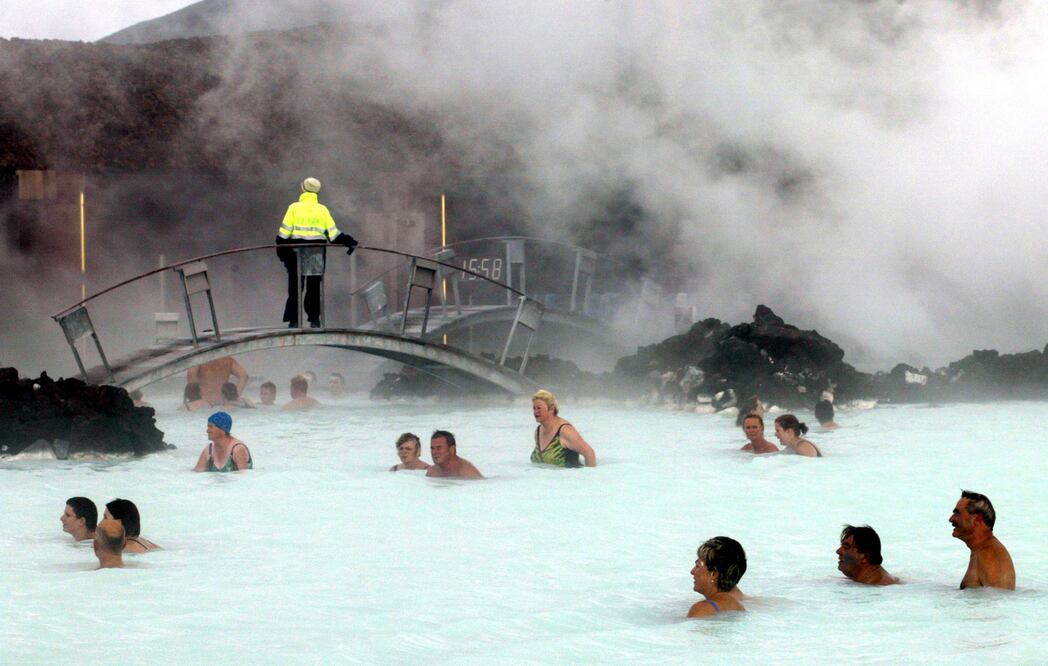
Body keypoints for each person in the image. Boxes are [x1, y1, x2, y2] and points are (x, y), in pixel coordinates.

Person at [276, 177, 358, 328]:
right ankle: (314, 320)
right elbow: (334, 235)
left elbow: (282, 235)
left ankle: (294, 322)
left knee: (295, 289)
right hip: (316, 255)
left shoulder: (293, 208)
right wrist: (350, 242)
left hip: (295, 255)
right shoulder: (322, 210)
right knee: (313, 289)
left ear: (303, 189)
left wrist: (282, 255)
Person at [950, 490, 1015, 590]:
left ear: (977, 520)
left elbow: (1000, 600)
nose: (951, 519)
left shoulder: (989, 554)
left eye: (957, 513)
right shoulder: (980, 550)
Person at [530, 389, 597, 467]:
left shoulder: (565, 430)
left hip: (568, 477)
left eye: (539, 408)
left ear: (551, 409)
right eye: (534, 408)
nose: (535, 412)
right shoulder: (538, 431)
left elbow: (589, 453)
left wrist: (589, 477)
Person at [688, 536, 747, 617]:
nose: (692, 571)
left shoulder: (702, 609)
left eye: (697, 565)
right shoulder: (737, 606)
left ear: (714, 574)